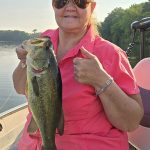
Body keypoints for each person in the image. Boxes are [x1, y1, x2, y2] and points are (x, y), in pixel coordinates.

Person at [12, 0, 144, 149]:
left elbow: (131, 122)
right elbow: (19, 87)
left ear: (92, 7)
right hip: (31, 144)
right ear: (53, 6)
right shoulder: (43, 42)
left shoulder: (110, 54)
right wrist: (24, 61)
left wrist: (101, 80)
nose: (69, 7)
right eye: (61, 2)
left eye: (80, 2)